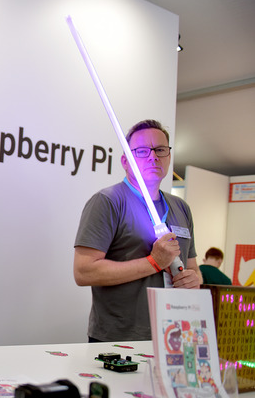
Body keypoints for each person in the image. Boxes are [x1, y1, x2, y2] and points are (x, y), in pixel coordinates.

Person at [73, 119, 202, 342]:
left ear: (169, 156)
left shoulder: (181, 208)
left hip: (174, 337)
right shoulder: (107, 201)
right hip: (118, 340)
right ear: (125, 161)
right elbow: (84, 272)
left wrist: (194, 280)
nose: (153, 157)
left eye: (160, 150)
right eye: (142, 151)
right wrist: (153, 262)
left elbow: (193, 268)